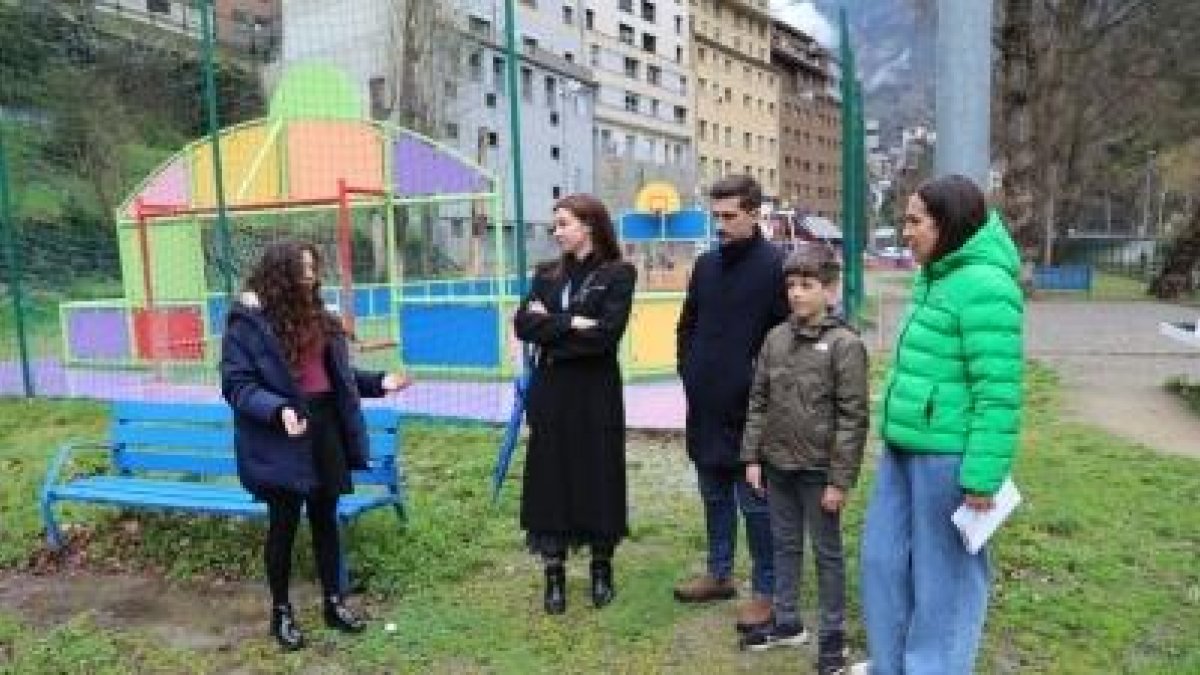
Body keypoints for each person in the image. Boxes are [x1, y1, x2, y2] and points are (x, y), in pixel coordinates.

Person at [856, 175, 1025, 675]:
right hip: (903, 448)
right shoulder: (934, 274)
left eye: (914, 222)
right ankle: (892, 665)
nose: (904, 232)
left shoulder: (987, 285)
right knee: (882, 562)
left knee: (945, 580)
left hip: (949, 458)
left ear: (946, 224)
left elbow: (998, 391)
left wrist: (983, 476)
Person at [220, 239, 410, 651]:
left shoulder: (321, 319)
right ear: (280, 275)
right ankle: (281, 612)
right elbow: (237, 385)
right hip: (281, 432)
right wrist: (278, 411)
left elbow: (337, 377)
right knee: (284, 525)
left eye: (313, 268)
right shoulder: (248, 325)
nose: (311, 277)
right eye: (303, 270)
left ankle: (333, 603)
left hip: (324, 427)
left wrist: (380, 382)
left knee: (326, 518)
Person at [738, 246, 869, 675]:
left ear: (830, 291)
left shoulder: (846, 345)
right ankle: (787, 621)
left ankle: (833, 636)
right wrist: (752, 456)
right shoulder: (775, 338)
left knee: (827, 553)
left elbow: (853, 418)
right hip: (777, 466)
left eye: (807, 285)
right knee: (785, 544)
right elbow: (758, 400)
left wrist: (839, 480)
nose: (796, 293)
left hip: (819, 472)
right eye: (791, 285)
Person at [674, 175, 790, 632]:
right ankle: (719, 574)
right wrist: (689, 369)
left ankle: (767, 590)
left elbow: (787, 340)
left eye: (729, 216)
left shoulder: (776, 268)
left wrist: (761, 388)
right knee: (713, 494)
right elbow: (687, 324)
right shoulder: (705, 266)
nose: (720, 225)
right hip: (705, 403)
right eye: (715, 216)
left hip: (752, 411)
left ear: (754, 214)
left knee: (756, 504)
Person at [513, 193, 637, 615]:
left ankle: (602, 568)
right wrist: (570, 323)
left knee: (598, 472)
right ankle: (554, 574)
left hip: (596, 392)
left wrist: (550, 328)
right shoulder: (547, 274)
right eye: (555, 224)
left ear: (589, 225)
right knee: (551, 476)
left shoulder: (618, 273)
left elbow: (605, 336)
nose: (556, 231)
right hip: (551, 392)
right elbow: (523, 324)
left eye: (563, 223)